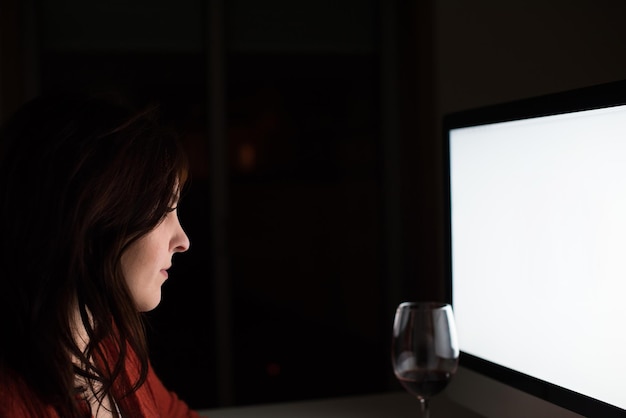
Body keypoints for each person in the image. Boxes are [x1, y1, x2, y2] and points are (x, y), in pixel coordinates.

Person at [0, 93, 205, 417]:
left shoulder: (109, 345)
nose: (183, 241)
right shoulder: (12, 400)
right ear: (91, 219)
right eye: (163, 209)